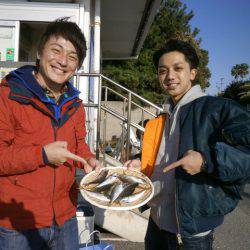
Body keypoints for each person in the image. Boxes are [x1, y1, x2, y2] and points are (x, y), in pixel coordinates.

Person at [125, 39, 250, 250]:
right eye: (162, 70)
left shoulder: (217, 109)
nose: (169, 76)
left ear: (193, 73)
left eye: (178, 68)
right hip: (156, 222)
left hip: (191, 233)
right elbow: (160, 156)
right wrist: (139, 162)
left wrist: (205, 161)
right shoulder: (163, 116)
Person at [0, 18, 101, 250]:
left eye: (72, 57)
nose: (63, 61)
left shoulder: (74, 103)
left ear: (77, 66)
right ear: (39, 52)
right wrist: (42, 155)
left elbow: (78, 145)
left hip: (65, 217)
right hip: (19, 223)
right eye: (56, 50)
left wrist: (88, 159)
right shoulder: (8, 95)